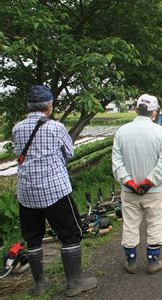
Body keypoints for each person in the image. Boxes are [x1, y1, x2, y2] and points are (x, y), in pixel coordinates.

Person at [13, 85, 97, 296]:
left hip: (26, 192)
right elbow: (69, 152)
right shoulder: (56, 127)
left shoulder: (17, 128)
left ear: (29, 106)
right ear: (49, 106)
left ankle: (40, 284)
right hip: (54, 190)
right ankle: (74, 283)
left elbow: (18, 154)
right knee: (71, 233)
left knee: (33, 237)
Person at [112, 94, 162, 275]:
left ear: (137, 109)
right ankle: (153, 262)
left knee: (130, 224)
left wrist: (129, 182)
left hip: (129, 191)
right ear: (154, 113)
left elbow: (117, 162)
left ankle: (131, 262)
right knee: (154, 223)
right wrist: (147, 183)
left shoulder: (122, 131)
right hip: (154, 190)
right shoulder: (160, 132)